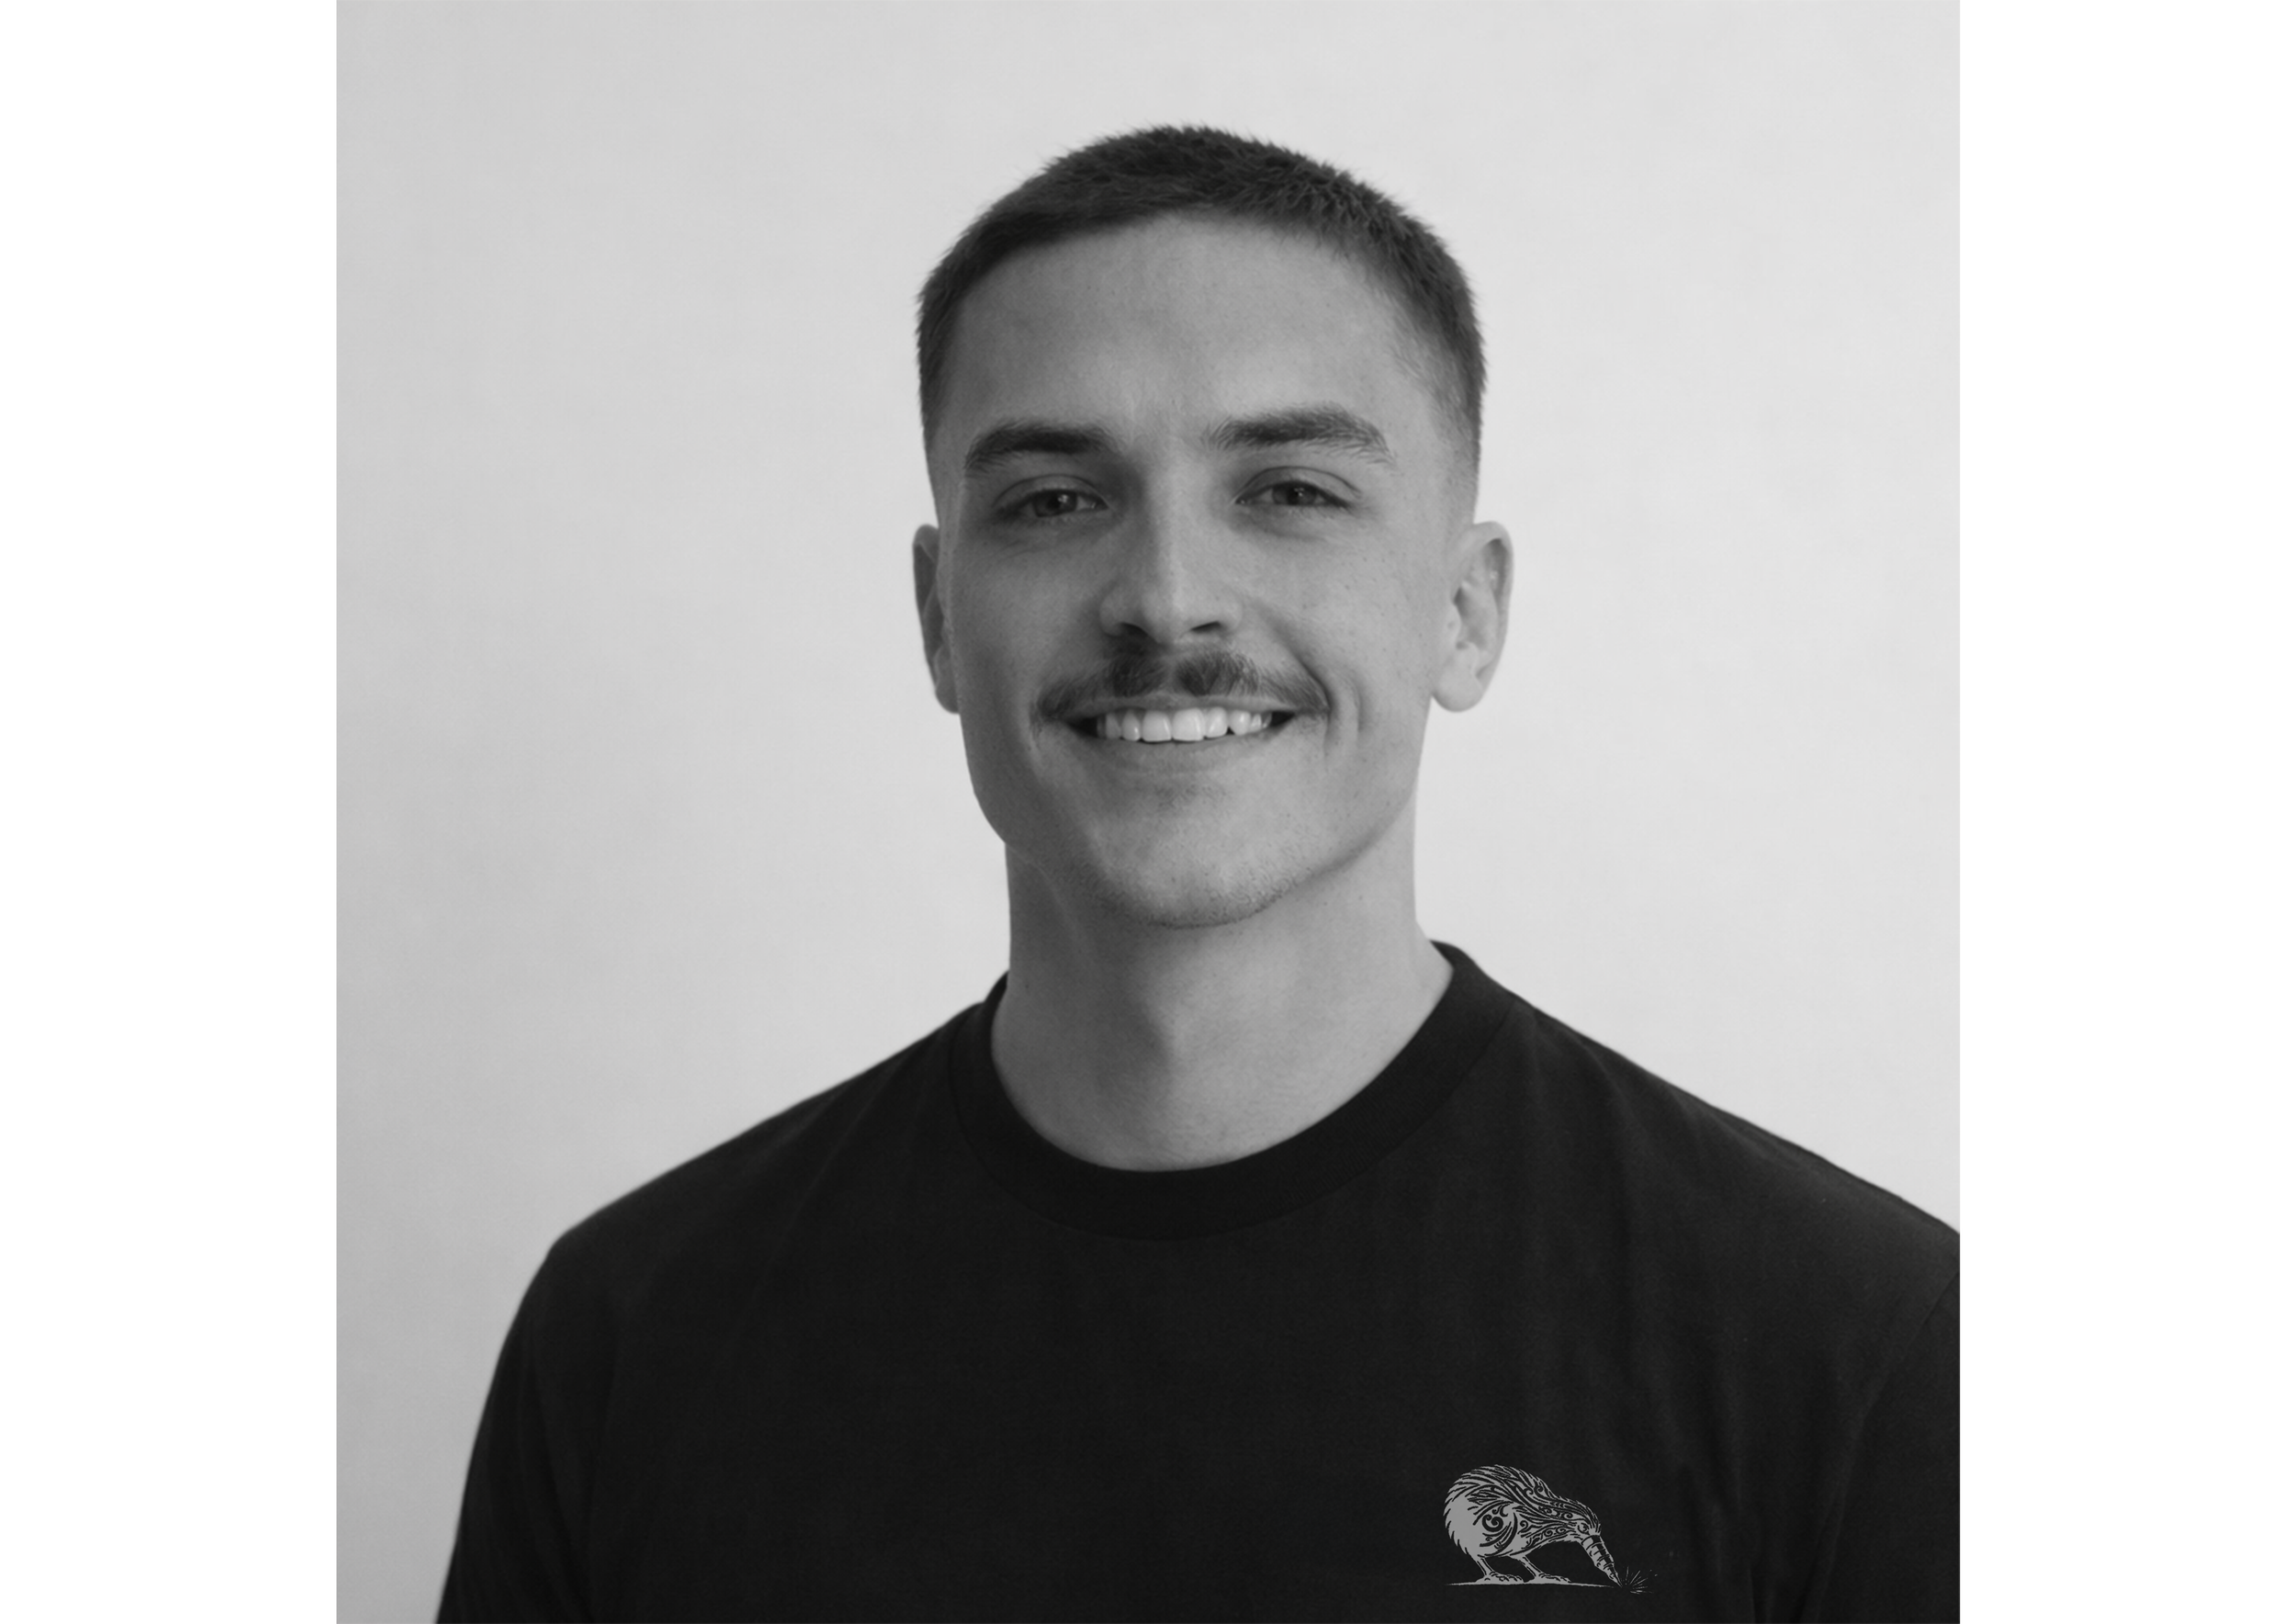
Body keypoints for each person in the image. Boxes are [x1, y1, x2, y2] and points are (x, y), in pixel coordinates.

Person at [440, 126, 1956, 1622]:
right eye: (1052, 500)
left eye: (1291, 490)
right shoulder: (636, 1338)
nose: (1166, 594)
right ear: (937, 622)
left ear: (1466, 613)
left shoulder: (1858, 1347)